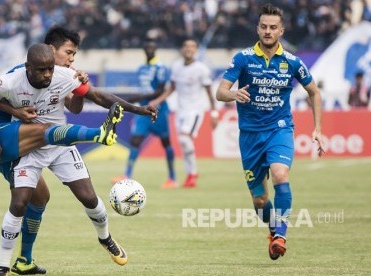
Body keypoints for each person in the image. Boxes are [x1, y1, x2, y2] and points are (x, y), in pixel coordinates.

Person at [0, 43, 157, 276]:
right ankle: (2, 268)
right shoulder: (11, 80)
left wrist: (138, 110)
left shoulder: (65, 75)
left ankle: (106, 238)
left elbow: (97, 96)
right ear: (29, 67)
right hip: (30, 148)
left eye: (50, 68)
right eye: (42, 70)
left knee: (89, 198)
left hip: (60, 144)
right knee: (19, 203)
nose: (48, 74)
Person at [215, 3, 325, 260]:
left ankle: (281, 236)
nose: (268, 31)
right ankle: (273, 228)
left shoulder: (292, 62)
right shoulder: (242, 58)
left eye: (273, 27)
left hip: (280, 130)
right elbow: (220, 92)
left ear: (281, 30)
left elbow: (314, 92)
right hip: (250, 135)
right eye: (264, 26)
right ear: (258, 29)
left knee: (280, 174)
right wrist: (233, 94)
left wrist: (318, 129)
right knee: (261, 201)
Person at [150, 38, 219, 188]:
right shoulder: (176, 66)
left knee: (184, 140)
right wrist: (157, 101)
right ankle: (190, 176)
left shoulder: (201, 69)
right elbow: (172, 88)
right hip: (180, 111)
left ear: (196, 50)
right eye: (186, 46)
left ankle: (193, 174)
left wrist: (214, 114)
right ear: (182, 49)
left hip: (195, 110)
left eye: (192, 47)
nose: (189, 49)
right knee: (184, 143)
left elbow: (209, 92)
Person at [112, 38, 176, 189]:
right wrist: (139, 100)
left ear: (156, 50)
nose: (149, 50)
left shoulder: (161, 68)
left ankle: (172, 178)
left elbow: (160, 90)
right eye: (147, 48)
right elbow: (144, 89)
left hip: (158, 110)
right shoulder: (141, 68)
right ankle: (127, 175)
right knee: (135, 141)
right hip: (143, 111)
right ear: (144, 50)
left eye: (152, 48)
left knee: (166, 142)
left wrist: (137, 98)